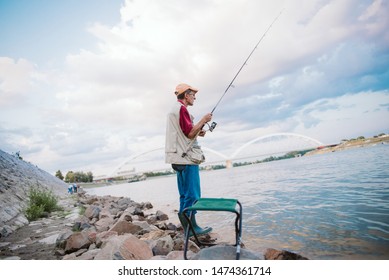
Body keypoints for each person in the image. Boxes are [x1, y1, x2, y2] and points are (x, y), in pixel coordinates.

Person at [165, 83, 213, 236]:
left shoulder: (175, 109)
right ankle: (192, 229)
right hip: (186, 158)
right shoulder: (182, 109)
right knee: (192, 195)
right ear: (186, 95)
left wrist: (199, 130)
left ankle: (188, 228)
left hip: (177, 158)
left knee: (184, 194)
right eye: (193, 95)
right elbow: (190, 134)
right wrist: (203, 120)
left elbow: (184, 132)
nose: (195, 97)